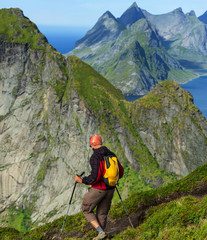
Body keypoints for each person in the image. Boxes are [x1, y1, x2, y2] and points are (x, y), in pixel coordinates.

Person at [75, 134, 124, 240]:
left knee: (86, 209)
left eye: (91, 146)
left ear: (93, 144)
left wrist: (82, 180)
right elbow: (121, 171)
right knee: (102, 213)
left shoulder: (95, 157)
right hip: (111, 189)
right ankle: (101, 236)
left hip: (99, 189)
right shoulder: (112, 154)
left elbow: (94, 178)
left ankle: (100, 232)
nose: (91, 148)